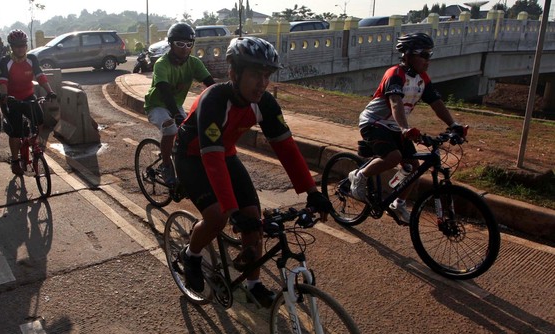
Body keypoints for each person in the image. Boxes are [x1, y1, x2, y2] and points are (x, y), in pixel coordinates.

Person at [173, 37, 331, 307]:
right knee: (217, 216)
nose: (263, 83)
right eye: (256, 75)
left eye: (267, 75)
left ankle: (253, 284)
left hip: (225, 153)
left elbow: (287, 149)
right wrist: (231, 212)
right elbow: (211, 161)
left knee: (253, 219)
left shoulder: (264, 103)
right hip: (192, 156)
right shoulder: (214, 99)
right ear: (234, 74)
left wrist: (313, 192)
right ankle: (192, 254)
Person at [349, 32, 465, 223]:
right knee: (393, 157)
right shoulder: (395, 74)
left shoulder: (422, 79)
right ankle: (359, 176)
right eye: (424, 55)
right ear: (407, 55)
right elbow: (395, 102)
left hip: (396, 127)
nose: (428, 60)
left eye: (430, 55)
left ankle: (397, 204)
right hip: (374, 122)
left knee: (413, 167)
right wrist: (404, 128)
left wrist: (454, 125)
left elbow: (436, 103)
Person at [143, 22, 215, 185]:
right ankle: (166, 165)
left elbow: (211, 84)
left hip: (176, 105)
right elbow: (164, 90)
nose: (184, 48)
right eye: (180, 44)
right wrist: (175, 115)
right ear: (171, 44)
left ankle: (182, 163)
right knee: (170, 129)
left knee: (189, 134)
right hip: (157, 105)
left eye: (189, 44)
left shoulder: (194, 63)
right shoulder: (162, 64)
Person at [0, 29, 56, 176]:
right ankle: (15, 160)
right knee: (16, 132)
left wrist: (49, 91)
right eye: (17, 46)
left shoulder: (32, 59)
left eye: (23, 45)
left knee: (40, 121)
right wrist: (4, 95)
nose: (21, 48)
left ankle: (30, 142)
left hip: (28, 96)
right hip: (11, 99)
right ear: (11, 47)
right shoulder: (6, 61)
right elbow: (3, 80)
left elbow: (40, 76)